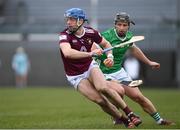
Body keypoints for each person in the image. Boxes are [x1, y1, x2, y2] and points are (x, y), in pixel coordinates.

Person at [59, 8, 142, 128]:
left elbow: (106, 44)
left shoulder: (91, 32)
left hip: (89, 66)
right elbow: (67, 53)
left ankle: (130, 114)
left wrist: (110, 56)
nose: (68, 22)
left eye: (71, 19)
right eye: (67, 19)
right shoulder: (64, 35)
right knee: (100, 101)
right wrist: (90, 54)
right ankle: (123, 119)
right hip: (75, 75)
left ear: (80, 21)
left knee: (103, 87)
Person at [93, 12, 175, 125]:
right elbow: (92, 50)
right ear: (115, 25)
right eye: (119, 24)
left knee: (138, 97)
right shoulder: (106, 36)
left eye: (124, 25)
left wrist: (149, 62)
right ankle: (117, 117)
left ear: (128, 26)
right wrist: (102, 58)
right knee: (118, 91)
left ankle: (159, 120)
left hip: (119, 72)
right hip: (103, 74)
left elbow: (134, 49)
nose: (122, 28)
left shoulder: (129, 36)